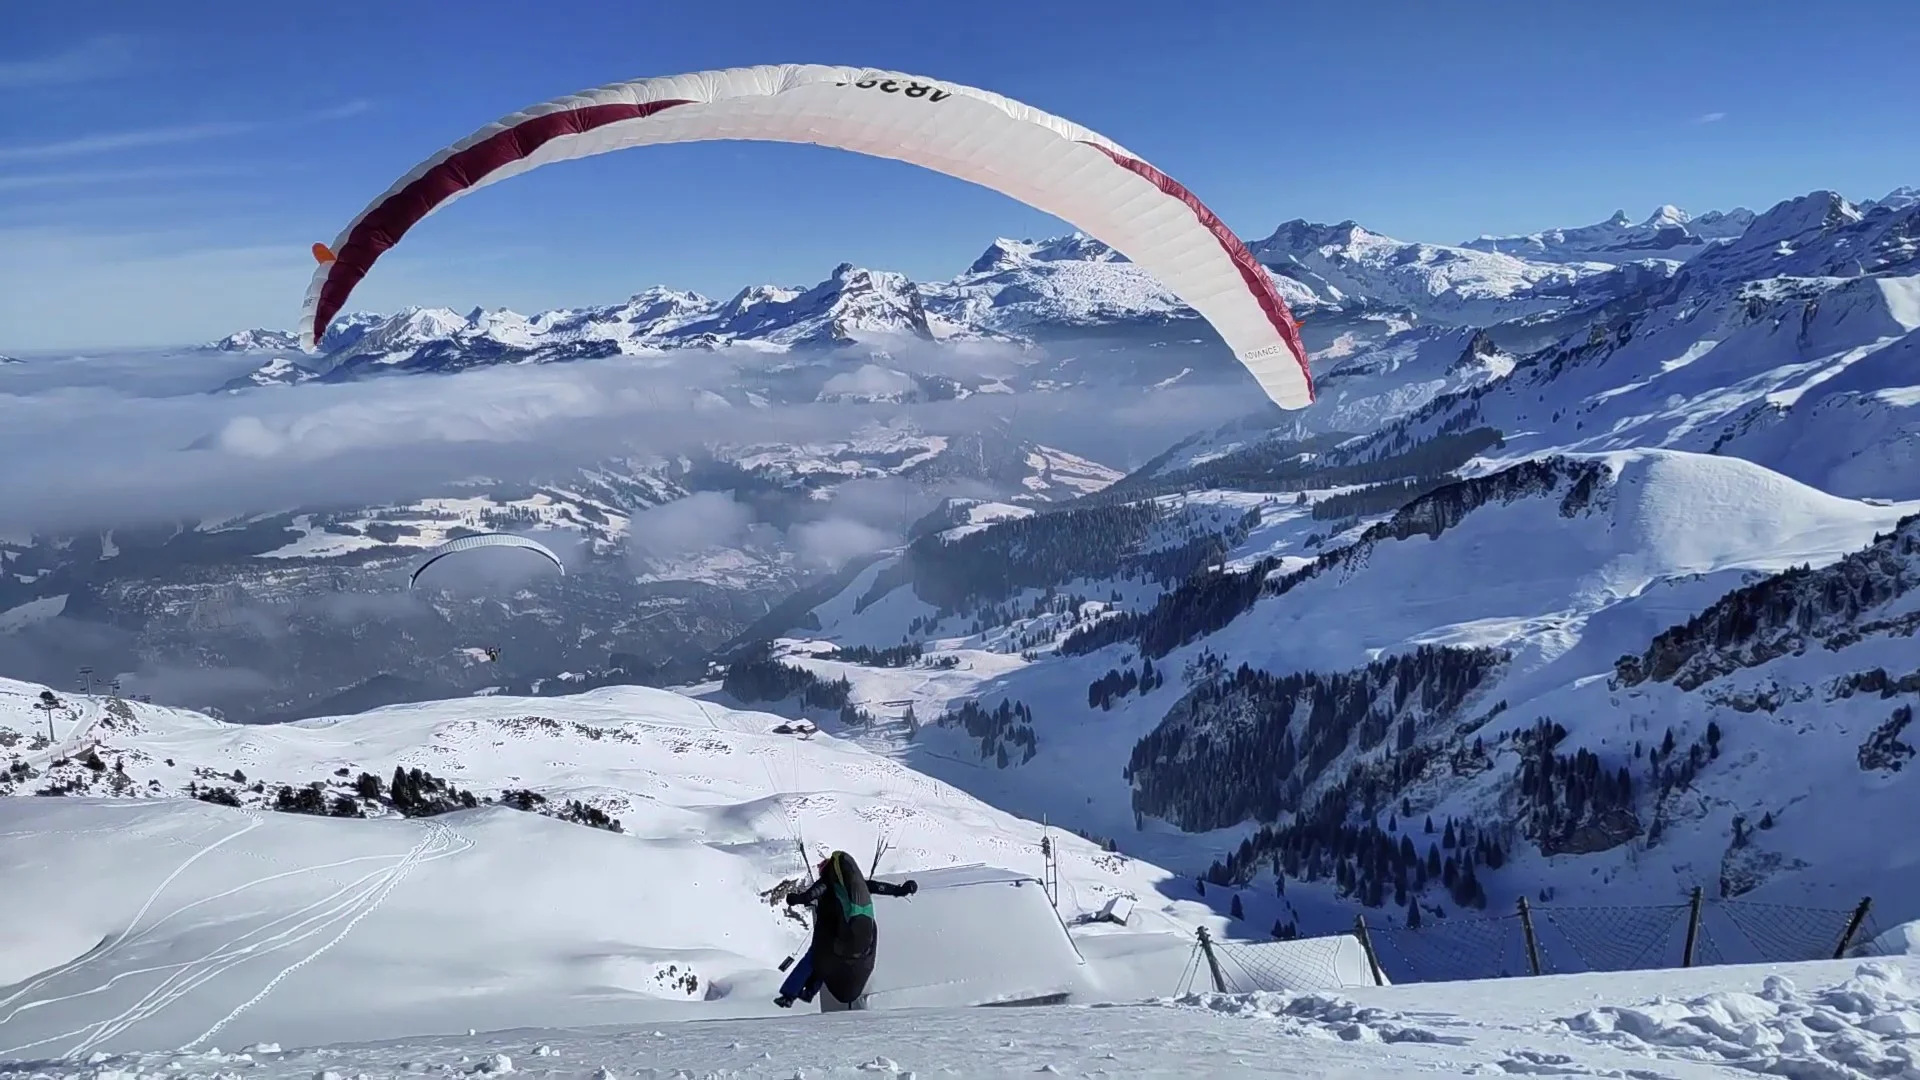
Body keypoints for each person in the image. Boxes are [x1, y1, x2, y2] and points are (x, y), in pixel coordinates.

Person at [776, 850, 917, 1011]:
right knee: (823, 960)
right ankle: (809, 992)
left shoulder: (827, 883)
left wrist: (797, 899)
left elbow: (811, 894)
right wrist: (901, 890)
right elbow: (878, 887)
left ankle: (789, 995)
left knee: (814, 958)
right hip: (858, 941)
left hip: (836, 936)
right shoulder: (854, 886)